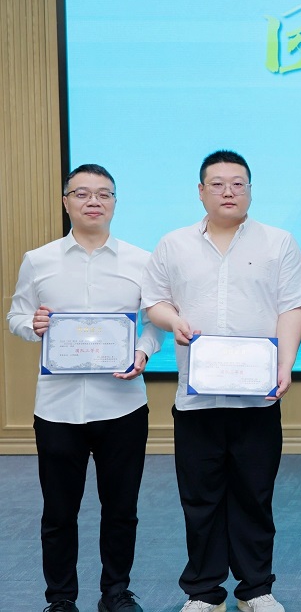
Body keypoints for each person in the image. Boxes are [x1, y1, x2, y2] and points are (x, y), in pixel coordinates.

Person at [141, 150, 301, 612]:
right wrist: (172, 320)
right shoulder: (173, 244)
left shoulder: (278, 243)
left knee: (255, 496)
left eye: (238, 183)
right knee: (199, 498)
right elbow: (154, 302)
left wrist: (286, 364)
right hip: (196, 399)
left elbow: (292, 308)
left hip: (258, 398)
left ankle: (256, 588)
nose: (228, 192)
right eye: (217, 184)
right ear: (201, 192)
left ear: (250, 190)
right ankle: (204, 591)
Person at [7, 164, 163, 612]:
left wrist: (143, 352)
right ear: (66, 201)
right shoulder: (39, 260)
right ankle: (60, 599)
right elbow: (16, 316)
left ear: (115, 202)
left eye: (103, 194)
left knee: (121, 510)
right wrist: (33, 324)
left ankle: (116, 593)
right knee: (59, 513)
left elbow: (155, 323)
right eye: (81, 193)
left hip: (122, 405)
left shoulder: (141, 261)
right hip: (57, 409)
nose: (93, 201)